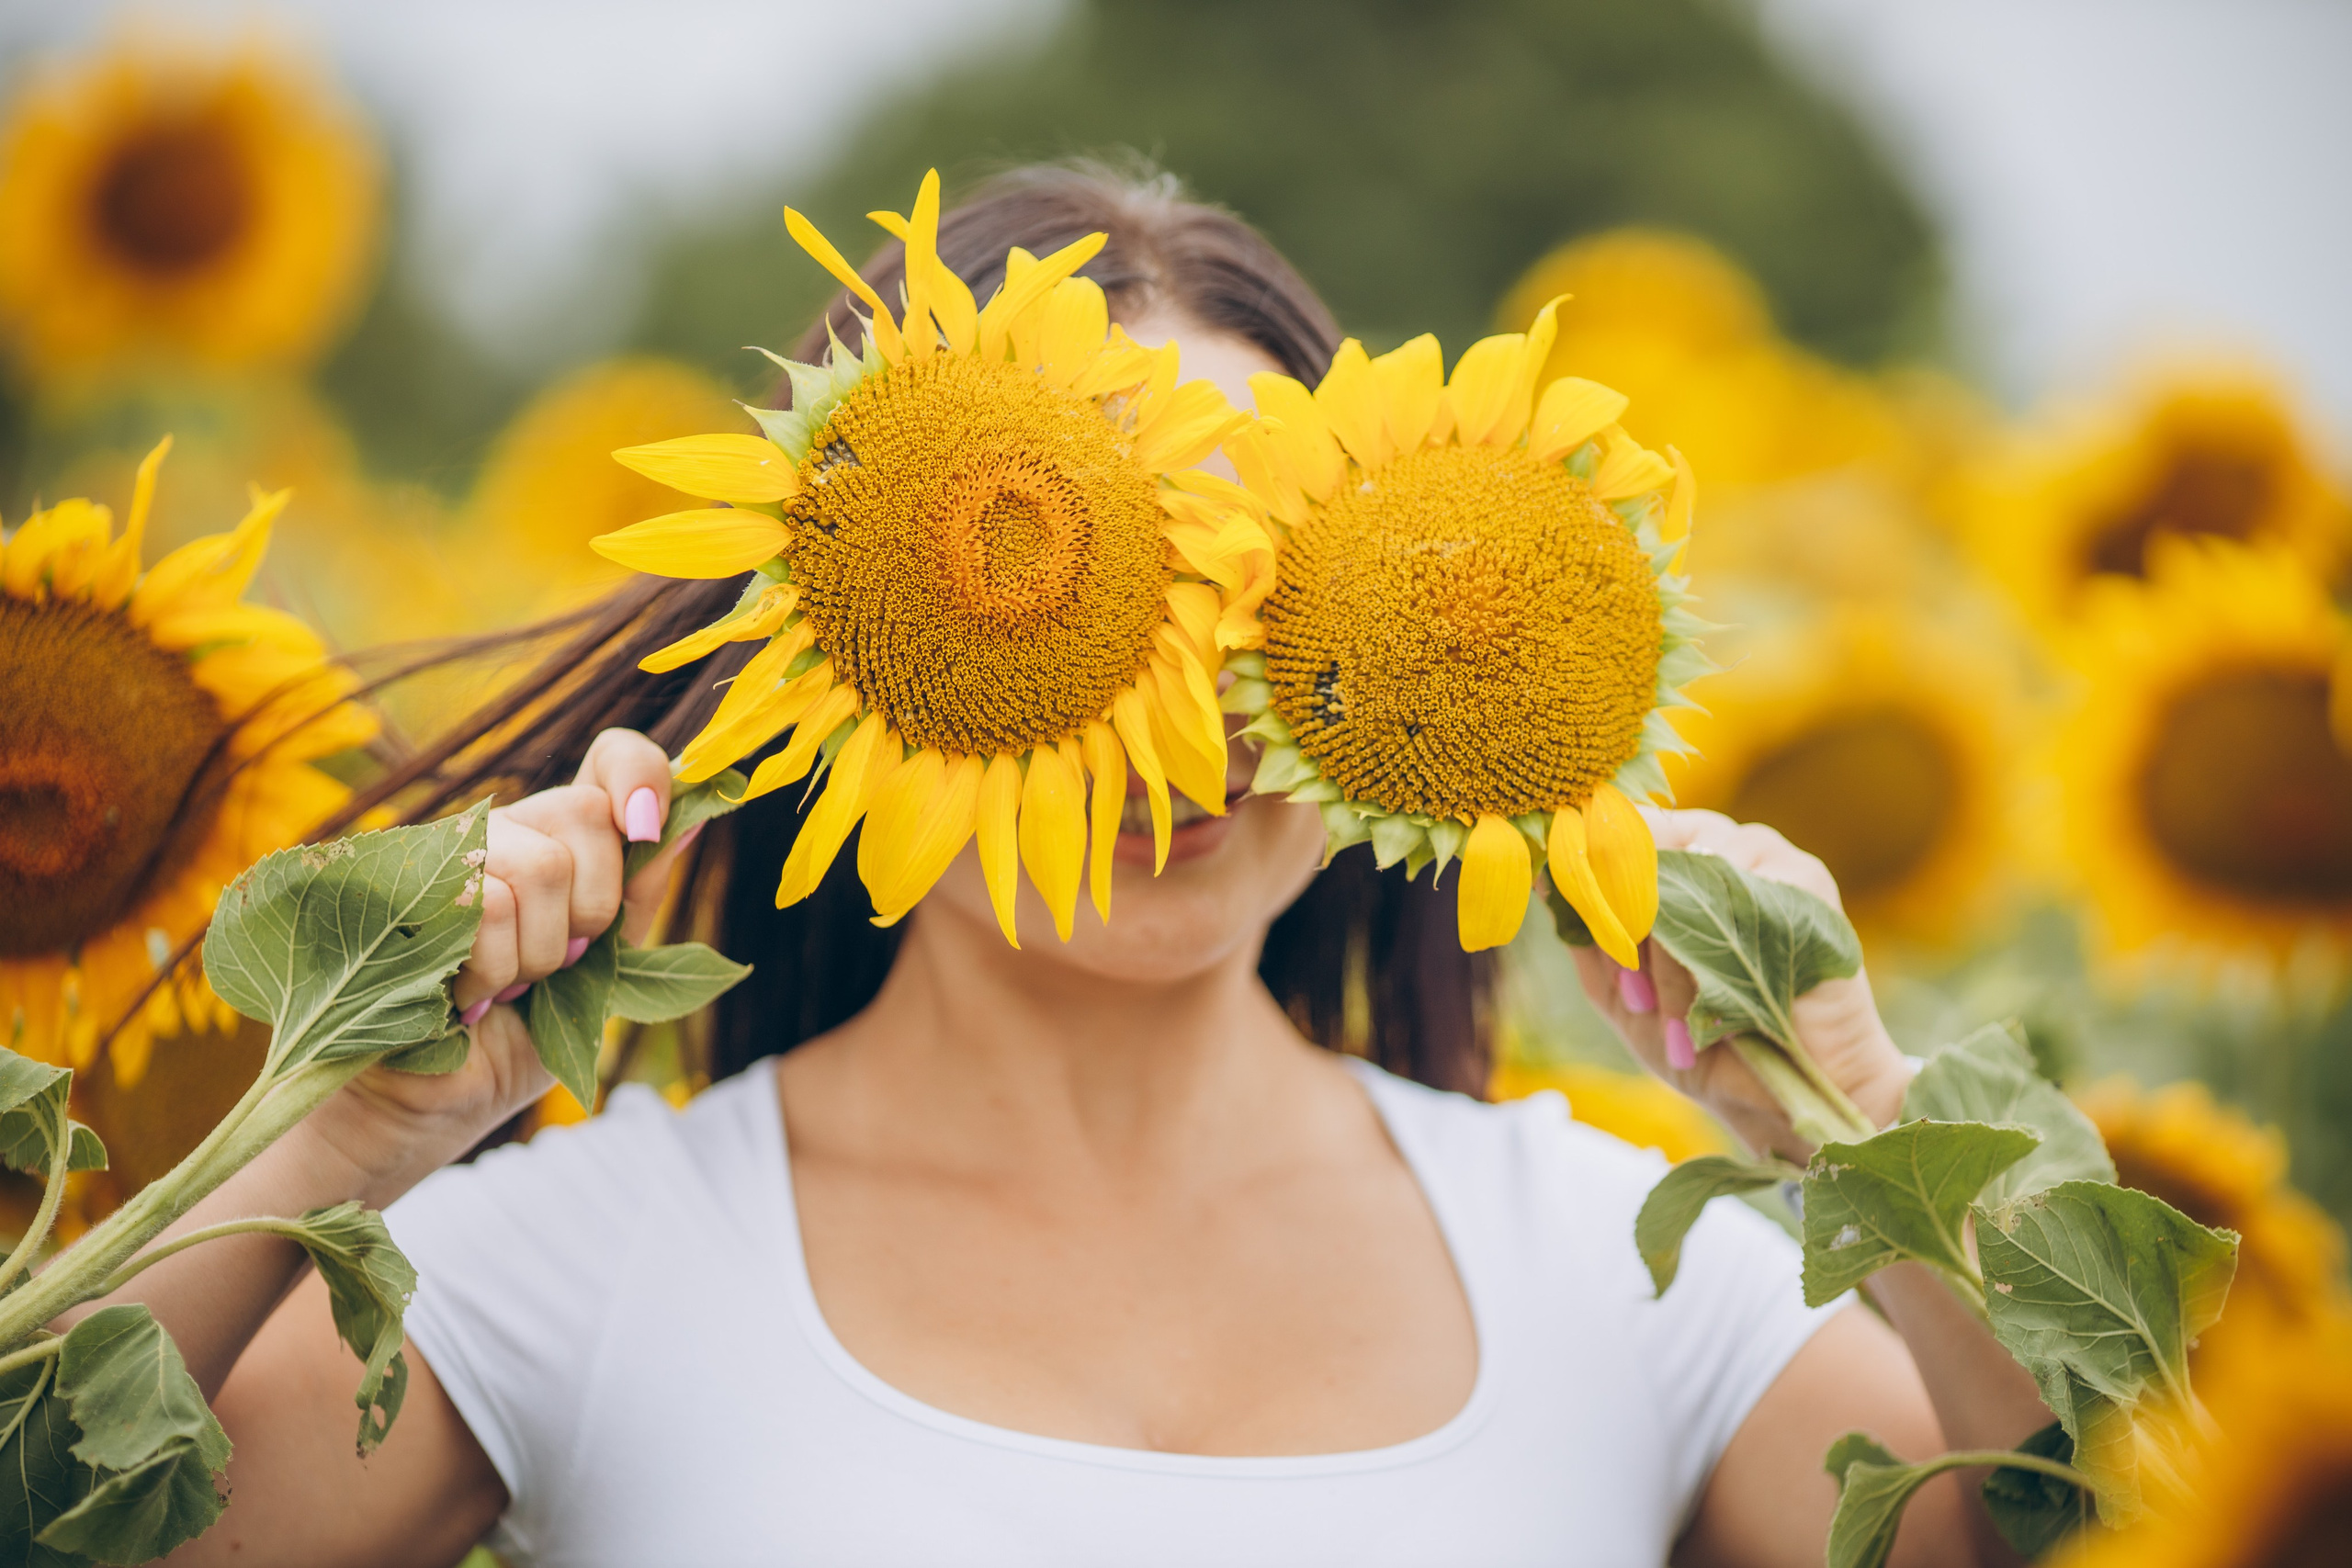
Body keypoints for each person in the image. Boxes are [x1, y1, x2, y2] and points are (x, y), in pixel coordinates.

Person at [110, 166, 2050, 1568]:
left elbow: (2082, 1532)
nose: (1181, 718)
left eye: (1264, 606)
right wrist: (337, 1139)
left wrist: (1857, 1121)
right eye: (1068, 586)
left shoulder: (1615, 1271)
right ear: (836, 633)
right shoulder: (587, 1259)